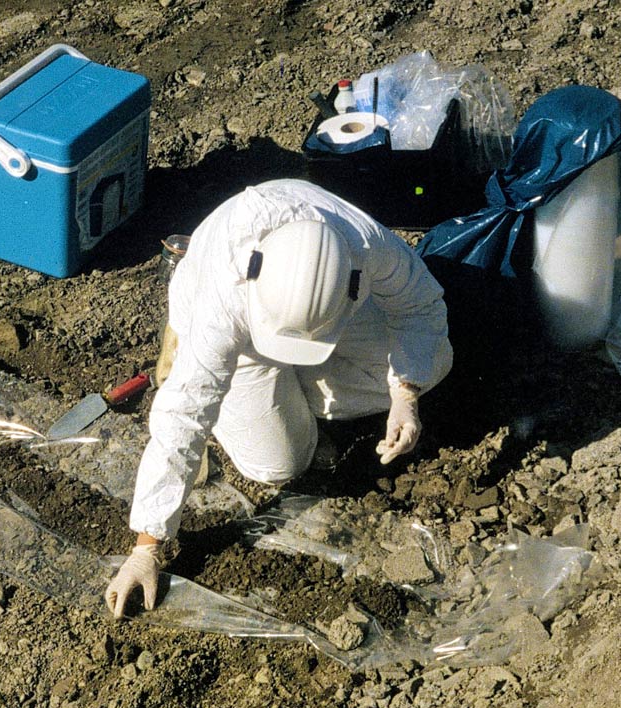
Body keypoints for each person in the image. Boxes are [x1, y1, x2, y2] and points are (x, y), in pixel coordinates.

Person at [104, 179, 453, 618]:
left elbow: (420, 306)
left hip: (326, 316)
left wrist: (405, 393)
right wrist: (146, 548)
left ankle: (294, 387)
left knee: (434, 362)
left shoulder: (366, 244)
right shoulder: (224, 298)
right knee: (277, 464)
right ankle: (197, 353)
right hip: (240, 332)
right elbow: (184, 417)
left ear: (351, 282)